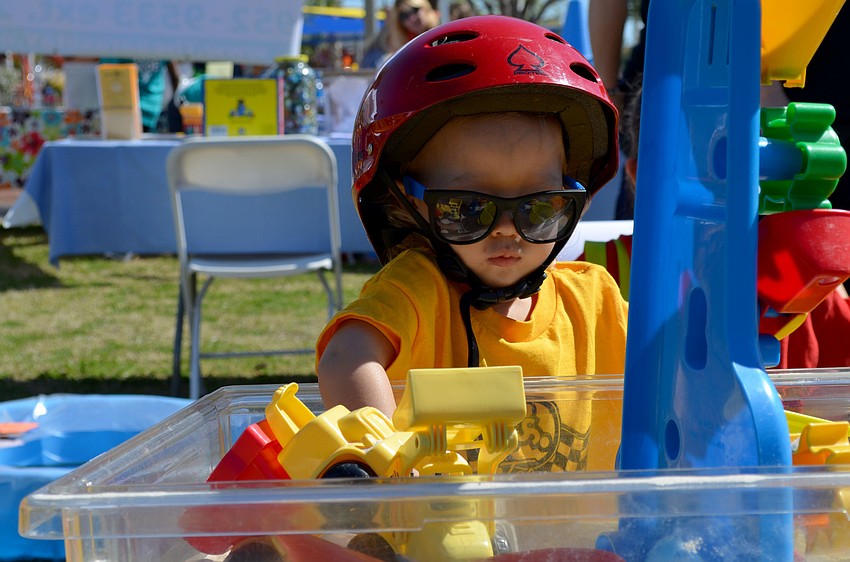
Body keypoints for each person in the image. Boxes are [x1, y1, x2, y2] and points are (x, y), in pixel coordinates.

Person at [316, 16, 627, 472]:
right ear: (411, 202)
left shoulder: (594, 301)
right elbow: (346, 359)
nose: (507, 229)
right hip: (433, 538)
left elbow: (674, 375)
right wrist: (381, 458)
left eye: (539, 207)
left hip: (575, 541)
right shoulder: (417, 292)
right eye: (468, 209)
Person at [580, 77, 850, 369]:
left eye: (726, 162)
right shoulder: (589, 282)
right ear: (638, 176)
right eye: (689, 162)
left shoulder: (807, 282)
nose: (710, 186)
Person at [362, 0, 440, 68]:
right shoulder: (407, 44)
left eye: (414, 10)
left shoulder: (443, 31)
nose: (411, 18)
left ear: (426, 7)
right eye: (404, 16)